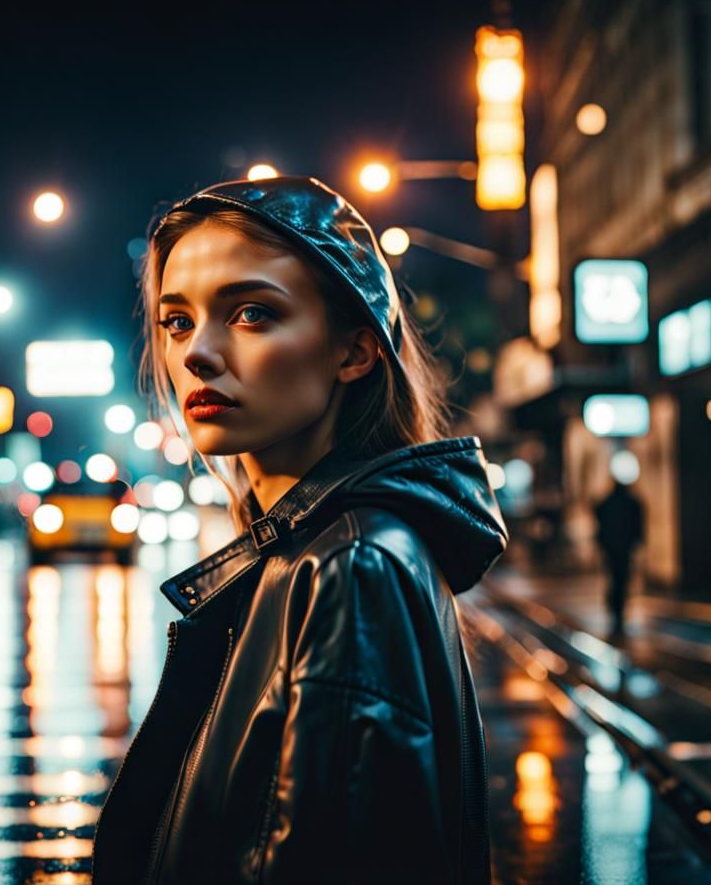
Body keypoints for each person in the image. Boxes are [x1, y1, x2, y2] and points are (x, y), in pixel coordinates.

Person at [92, 176, 508, 884]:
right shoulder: (305, 550)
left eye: (251, 313)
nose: (196, 354)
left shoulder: (352, 566)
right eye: (177, 321)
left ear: (354, 351)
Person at [593, 478, 644, 638]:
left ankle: (615, 606)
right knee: (621, 579)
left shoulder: (607, 503)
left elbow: (599, 519)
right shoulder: (631, 503)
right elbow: (638, 525)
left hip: (612, 548)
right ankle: (618, 608)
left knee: (615, 578)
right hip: (623, 548)